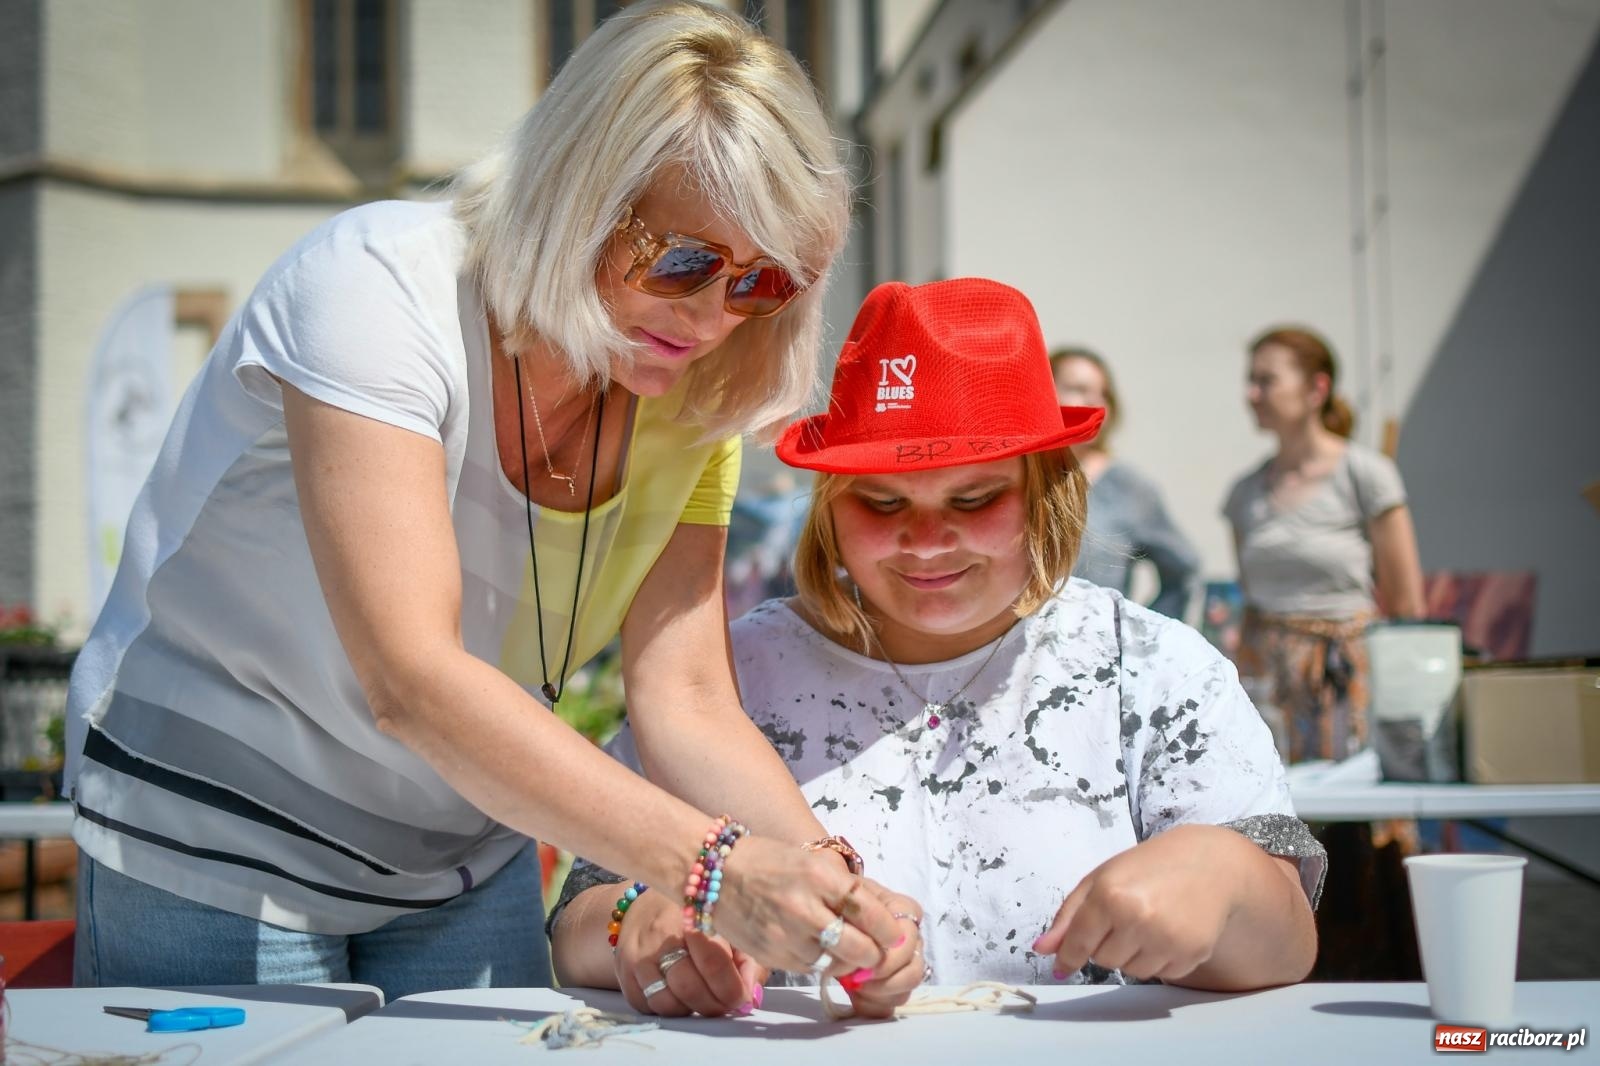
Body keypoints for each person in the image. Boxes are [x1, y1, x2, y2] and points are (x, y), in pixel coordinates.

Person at [63, 1, 912, 1003]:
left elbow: (684, 697)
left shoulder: (693, 391)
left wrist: (831, 885)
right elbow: (411, 677)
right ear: (577, 192)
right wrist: (716, 868)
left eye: (761, 283)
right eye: (680, 260)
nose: (710, 315)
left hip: (462, 846)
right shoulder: (376, 288)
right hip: (214, 834)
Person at [548, 279, 1324, 1016]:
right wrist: (637, 924)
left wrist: (1224, 880)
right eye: (882, 503)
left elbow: (1288, 945)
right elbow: (582, 913)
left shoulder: (1151, 670)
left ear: (1045, 489)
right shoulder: (723, 680)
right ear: (828, 507)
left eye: (975, 498)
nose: (925, 542)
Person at [1222, 324, 1425, 979]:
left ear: (1316, 389)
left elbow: (1407, 602)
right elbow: (1252, 596)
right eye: (1250, 378)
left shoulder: (1365, 474)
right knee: (1281, 827)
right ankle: (1292, 965)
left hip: (1347, 677)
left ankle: (1377, 972)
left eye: (1266, 378)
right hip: (1271, 682)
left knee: (1360, 832)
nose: (1251, 392)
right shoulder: (1246, 492)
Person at [1051, 347, 1199, 619]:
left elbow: (1182, 568)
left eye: (1104, 393)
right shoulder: (1016, 478)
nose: (1095, 401)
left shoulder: (1128, 488)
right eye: (1079, 389)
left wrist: (1143, 637)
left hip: (1094, 651)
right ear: (1045, 394)